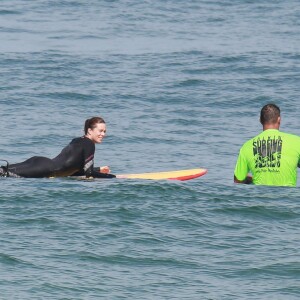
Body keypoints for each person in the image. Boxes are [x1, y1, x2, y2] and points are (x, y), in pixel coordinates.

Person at [0, 117, 116, 179]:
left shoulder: (77, 140)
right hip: (46, 168)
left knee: (3, 170)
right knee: (5, 174)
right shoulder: (89, 144)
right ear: (90, 131)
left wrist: (99, 169)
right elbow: (88, 173)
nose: (103, 134)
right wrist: (112, 177)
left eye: (104, 131)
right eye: (100, 131)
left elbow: (74, 168)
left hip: (39, 162)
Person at [234, 103, 300, 186]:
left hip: (259, 197)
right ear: (279, 120)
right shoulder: (297, 142)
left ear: (260, 120)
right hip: (287, 197)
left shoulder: (247, 146)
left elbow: (238, 180)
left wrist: (251, 179)